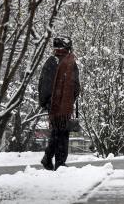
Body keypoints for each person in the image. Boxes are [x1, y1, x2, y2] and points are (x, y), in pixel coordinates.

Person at [38, 36, 80, 170]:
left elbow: (43, 83)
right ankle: (57, 162)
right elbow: (75, 85)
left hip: (54, 104)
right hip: (63, 105)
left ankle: (50, 159)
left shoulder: (51, 61)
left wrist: (46, 102)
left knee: (58, 132)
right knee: (61, 133)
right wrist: (70, 99)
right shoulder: (70, 62)